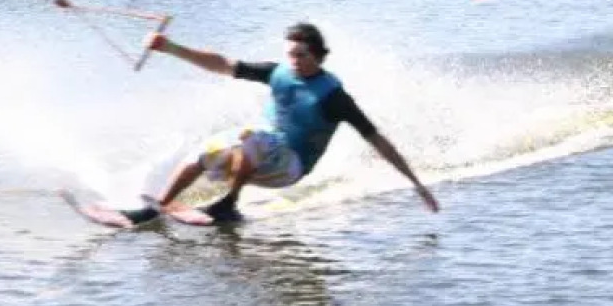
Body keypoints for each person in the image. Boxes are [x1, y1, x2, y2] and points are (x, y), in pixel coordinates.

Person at [127, 22, 440, 224]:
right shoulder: (277, 72)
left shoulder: (333, 96)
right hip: (259, 155)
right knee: (208, 147)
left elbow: (377, 141)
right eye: (291, 55)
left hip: (290, 167)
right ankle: (156, 208)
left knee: (253, 137)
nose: (294, 62)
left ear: (319, 56)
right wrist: (170, 48)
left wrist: (417, 184)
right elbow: (223, 64)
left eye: (301, 56)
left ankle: (228, 205)